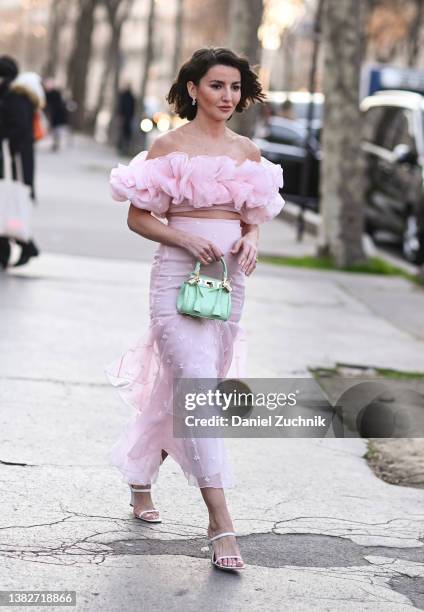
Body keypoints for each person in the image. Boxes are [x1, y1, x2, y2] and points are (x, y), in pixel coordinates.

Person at [106, 47, 285, 572]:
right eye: (216, 86)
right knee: (199, 386)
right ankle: (220, 520)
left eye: (234, 88)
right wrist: (183, 236)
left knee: (182, 390)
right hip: (174, 280)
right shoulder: (169, 146)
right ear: (193, 89)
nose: (227, 97)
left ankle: (140, 474)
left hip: (227, 283)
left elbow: (253, 215)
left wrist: (251, 238)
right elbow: (139, 218)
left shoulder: (248, 153)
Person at [0, 57, 44, 268]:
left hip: (12, 163)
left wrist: (8, 150)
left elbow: (17, 131)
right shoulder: (14, 94)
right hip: (14, 161)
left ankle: (26, 245)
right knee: (7, 206)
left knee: (8, 204)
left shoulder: (13, 97)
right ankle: (14, 248)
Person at [44, 79, 69, 152]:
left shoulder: (53, 94)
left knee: (57, 130)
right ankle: (56, 143)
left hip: (58, 115)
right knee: (56, 130)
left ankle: (56, 143)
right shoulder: (54, 94)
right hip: (57, 115)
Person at [117, 84, 135, 154]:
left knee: (125, 133)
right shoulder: (126, 96)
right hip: (126, 117)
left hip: (127, 118)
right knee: (124, 133)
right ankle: (122, 147)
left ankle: (124, 148)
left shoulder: (129, 97)